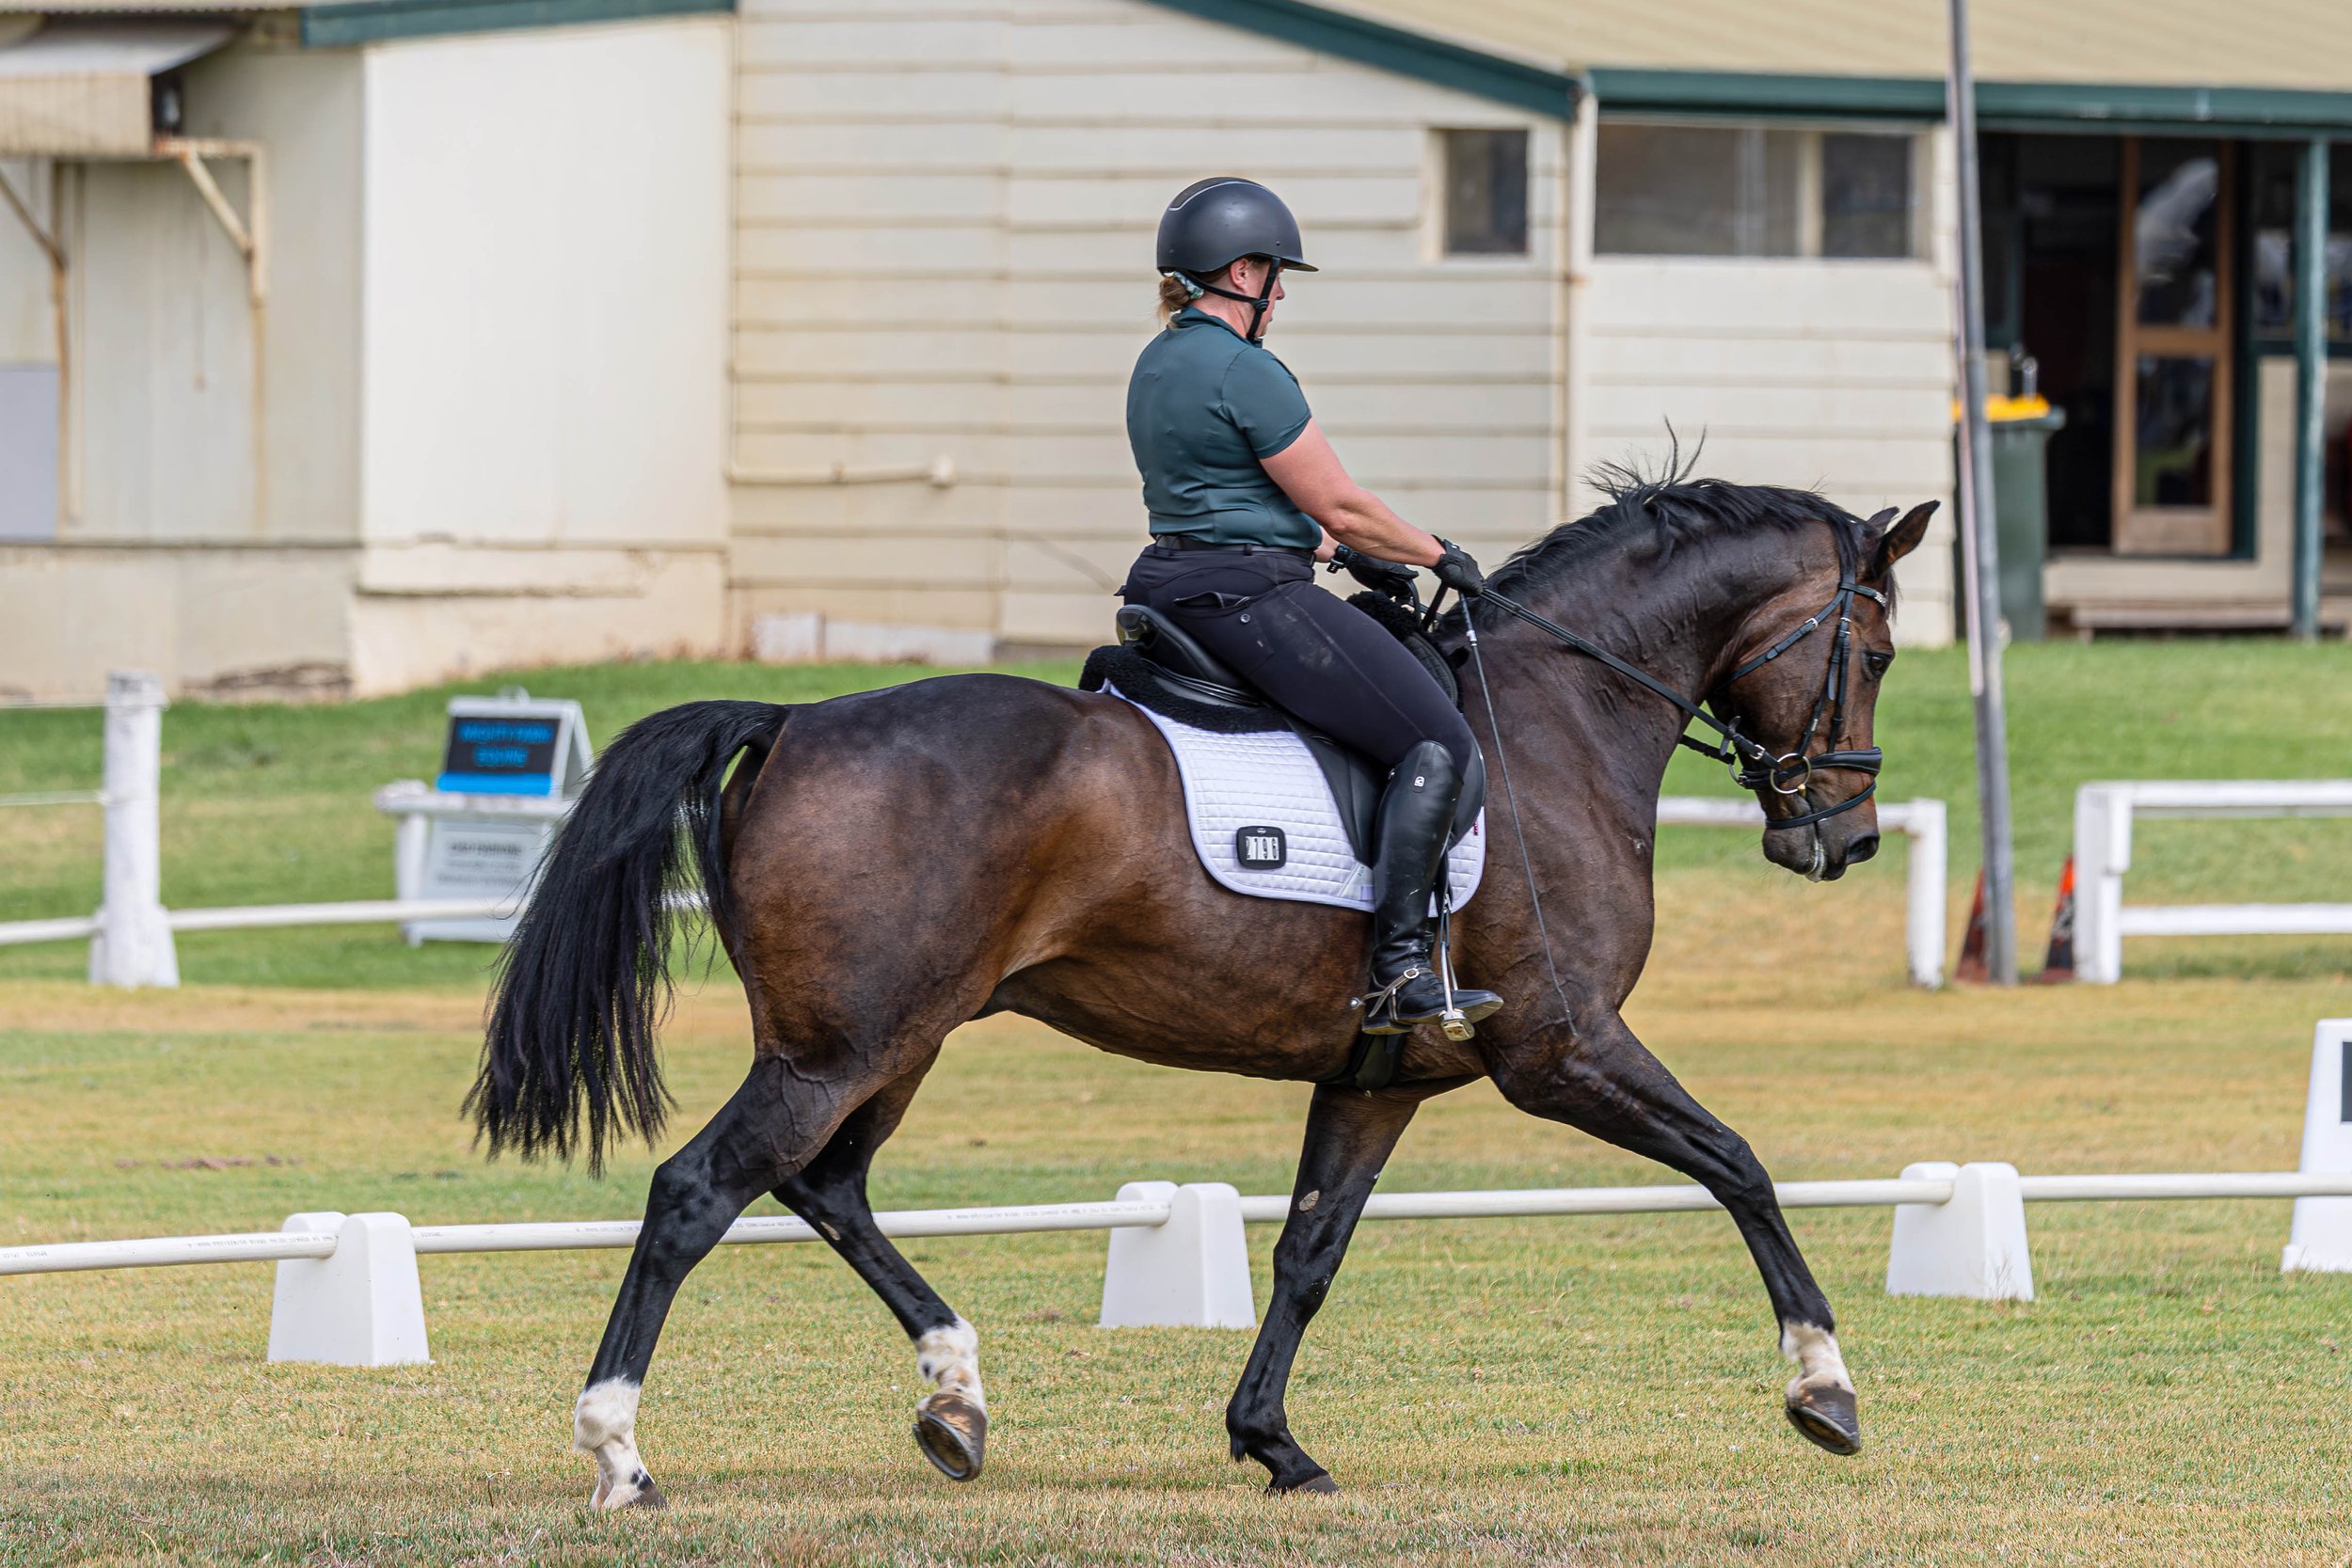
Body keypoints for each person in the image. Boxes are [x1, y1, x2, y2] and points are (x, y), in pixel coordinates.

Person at [1120, 176, 1502, 1037]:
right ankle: (1402, 970)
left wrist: (1341, 556)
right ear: (1239, 272)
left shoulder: (1158, 362)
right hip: (1247, 595)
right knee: (1434, 740)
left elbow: (1221, 495)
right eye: (1274, 272)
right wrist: (1438, 553)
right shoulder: (1248, 371)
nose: (1282, 291)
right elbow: (1341, 502)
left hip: (1171, 577)